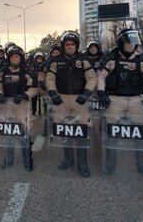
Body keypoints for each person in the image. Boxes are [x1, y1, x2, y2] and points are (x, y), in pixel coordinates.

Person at [97, 29, 143, 177]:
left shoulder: (141, 59)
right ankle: (110, 163)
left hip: (136, 100)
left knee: (139, 131)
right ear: (121, 42)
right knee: (112, 131)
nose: (131, 45)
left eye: (133, 42)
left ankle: (141, 163)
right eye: (128, 42)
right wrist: (101, 93)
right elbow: (101, 76)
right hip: (115, 99)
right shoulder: (111, 57)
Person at [46, 31, 97, 177]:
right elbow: (49, 78)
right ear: (63, 46)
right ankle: (68, 159)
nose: (70, 47)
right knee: (63, 130)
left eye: (72, 44)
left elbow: (92, 78)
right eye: (67, 44)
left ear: (76, 45)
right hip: (61, 99)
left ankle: (82, 163)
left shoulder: (84, 60)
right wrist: (52, 92)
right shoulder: (55, 60)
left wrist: (87, 92)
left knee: (82, 131)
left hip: (79, 99)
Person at [0, 45, 38, 171]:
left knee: (25, 134)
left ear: (21, 58)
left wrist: (25, 95)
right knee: (9, 135)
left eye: (17, 56)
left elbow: (34, 89)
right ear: (9, 58)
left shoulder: (26, 72)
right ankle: (9, 158)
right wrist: (0, 94)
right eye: (13, 56)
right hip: (8, 107)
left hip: (23, 107)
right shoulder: (3, 72)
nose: (15, 58)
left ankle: (27, 160)